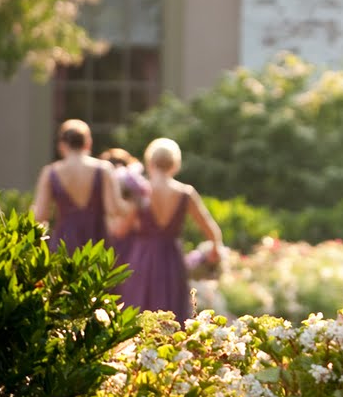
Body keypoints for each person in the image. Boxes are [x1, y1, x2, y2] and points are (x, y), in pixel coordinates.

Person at [114, 136, 224, 319]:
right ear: (175, 164)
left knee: (140, 311)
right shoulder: (185, 193)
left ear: (150, 162)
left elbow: (121, 230)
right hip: (172, 260)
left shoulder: (142, 192)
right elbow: (211, 228)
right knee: (172, 314)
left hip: (143, 259)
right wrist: (214, 249)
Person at [31, 119, 128, 252]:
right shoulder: (104, 169)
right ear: (88, 143)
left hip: (64, 241)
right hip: (97, 240)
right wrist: (133, 200)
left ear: (62, 145)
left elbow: (41, 215)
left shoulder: (50, 172)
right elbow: (114, 209)